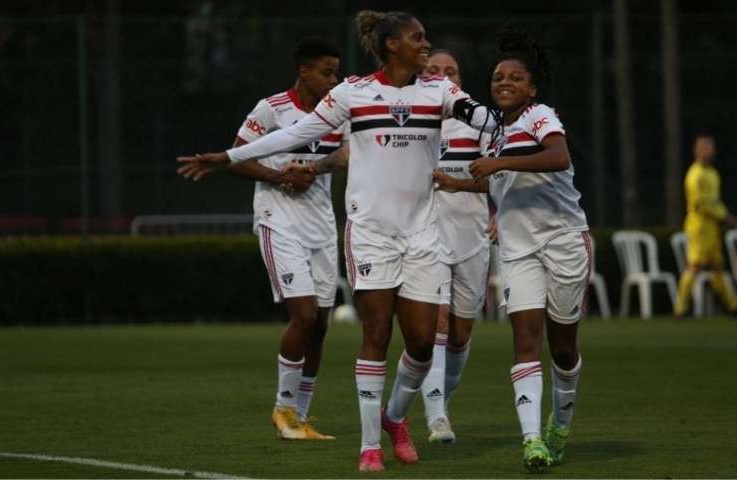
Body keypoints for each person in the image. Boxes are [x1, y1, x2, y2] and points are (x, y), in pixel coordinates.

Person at [176, 10, 499, 472]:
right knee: (376, 334)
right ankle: (370, 446)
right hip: (369, 233)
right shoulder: (353, 93)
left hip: (423, 233)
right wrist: (226, 157)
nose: (425, 45)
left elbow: (478, 114)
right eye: (417, 37)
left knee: (424, 343)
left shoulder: (438, 89)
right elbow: (292, 134)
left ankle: (394, 419)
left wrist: (500, 121)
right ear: (391, 44)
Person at [433, 28, 590, 473]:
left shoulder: (541, 115)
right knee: (525, 342)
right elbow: (499, 180)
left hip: (563, 240)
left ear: (531, 89)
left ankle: (560, 424)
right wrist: (460, 182)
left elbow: (558, 157)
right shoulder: (497, 133)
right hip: (519, 250)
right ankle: (533, 440)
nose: (504, 82)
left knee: (562, 350)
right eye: (498, 77)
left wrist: (499, 162)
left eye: (515, 78)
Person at [178, 36, 349, 441]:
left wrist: (313, 171)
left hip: (322, 223)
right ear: (303, 71)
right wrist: (278, 177)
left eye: (336, 72)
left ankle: (300, 416)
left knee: (321, 324)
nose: (333, 79)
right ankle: (282, 409)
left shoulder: (337, 113)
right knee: (303, 315)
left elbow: (343, 155)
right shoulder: (271, 108)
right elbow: (239, 156)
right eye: (326, 72)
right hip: (279, 220)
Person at [418, 49, 492, 444]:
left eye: (452, 71)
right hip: (428, 239)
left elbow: (497, 179)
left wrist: (457, 183)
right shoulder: (413, 123)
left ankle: (439, 402)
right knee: (439, 325)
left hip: (472, 239)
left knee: (461, 334)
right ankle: (436, 419)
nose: (444, 77)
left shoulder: (479, 123)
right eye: (434, 71)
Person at [673, 134, 737, 317]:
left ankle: (733, 305)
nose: (709, 151)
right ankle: (680, 308)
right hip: (698, 227)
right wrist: (725, 217)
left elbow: (715, 202)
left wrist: (724, 215)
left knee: (718, 266)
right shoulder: (695, 175)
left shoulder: (713, 173)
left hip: (712, 228)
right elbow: (701, 205)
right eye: (705, 147)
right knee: (695, 265)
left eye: (711, 147)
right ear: (697, 150)